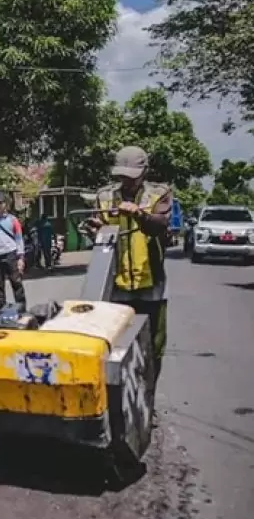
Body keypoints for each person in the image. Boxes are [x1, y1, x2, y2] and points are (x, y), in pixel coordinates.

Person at [88, 145, 172, 380]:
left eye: (131, 177)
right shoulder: (105, 196)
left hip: (151, 284)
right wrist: (95, 230)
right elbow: (101, 232)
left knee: (153, 348)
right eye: (122, 176)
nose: (127, 181)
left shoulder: (158, 194)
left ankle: (148, 395)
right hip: (116, 286)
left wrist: (139, 213)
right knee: (115, 349)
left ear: (144, 172)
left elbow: (158, 225)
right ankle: (120, 397)